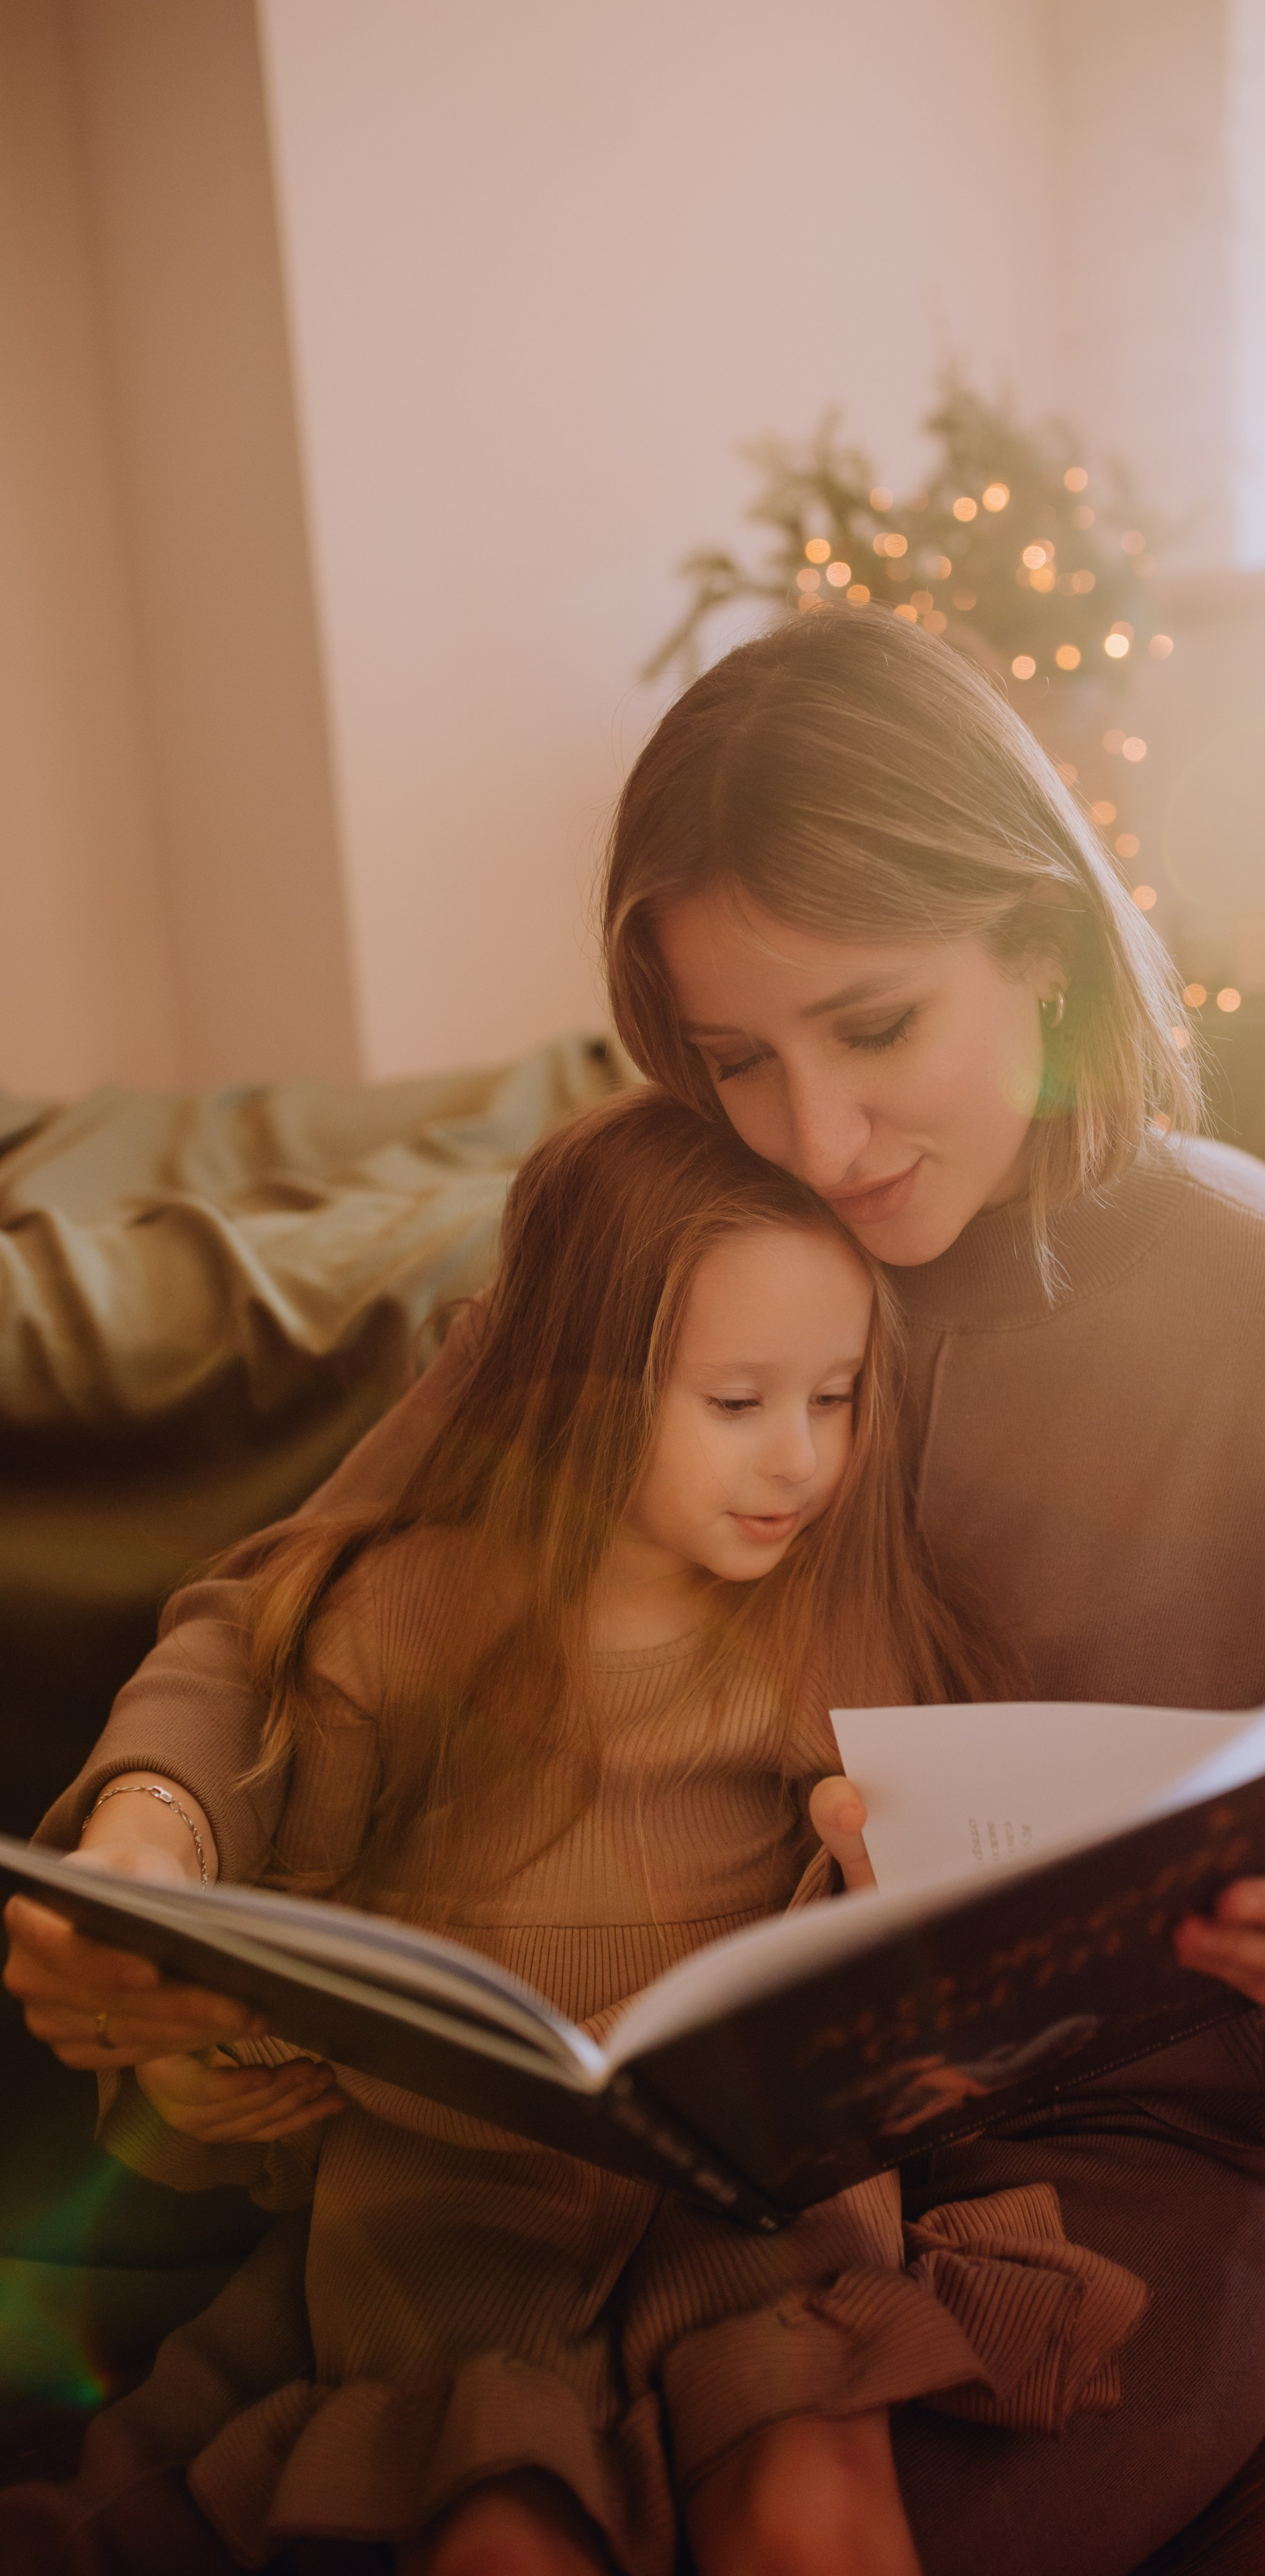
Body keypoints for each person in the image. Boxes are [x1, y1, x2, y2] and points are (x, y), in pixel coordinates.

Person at [7, 610, 1265, 2575]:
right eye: (736, 1060)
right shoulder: (674, 1252)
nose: (818, 1141)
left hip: (1085, 2185)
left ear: (1049, 944)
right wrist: (152, 1831)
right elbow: (280, 1602)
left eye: (879, 1028)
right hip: (588, 2170)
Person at [1, 1083, 1145, 2576]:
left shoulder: (841, 1617)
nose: (798, 1459)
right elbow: (284, 1953)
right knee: (494, 2526)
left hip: (749, 2184)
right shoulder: (387, 1623)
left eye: (835, 1395)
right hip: (456, 2191)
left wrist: (904, 1913)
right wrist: (206, 2067)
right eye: (737, 1404)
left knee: (812, 2494)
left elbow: (956, 1934)